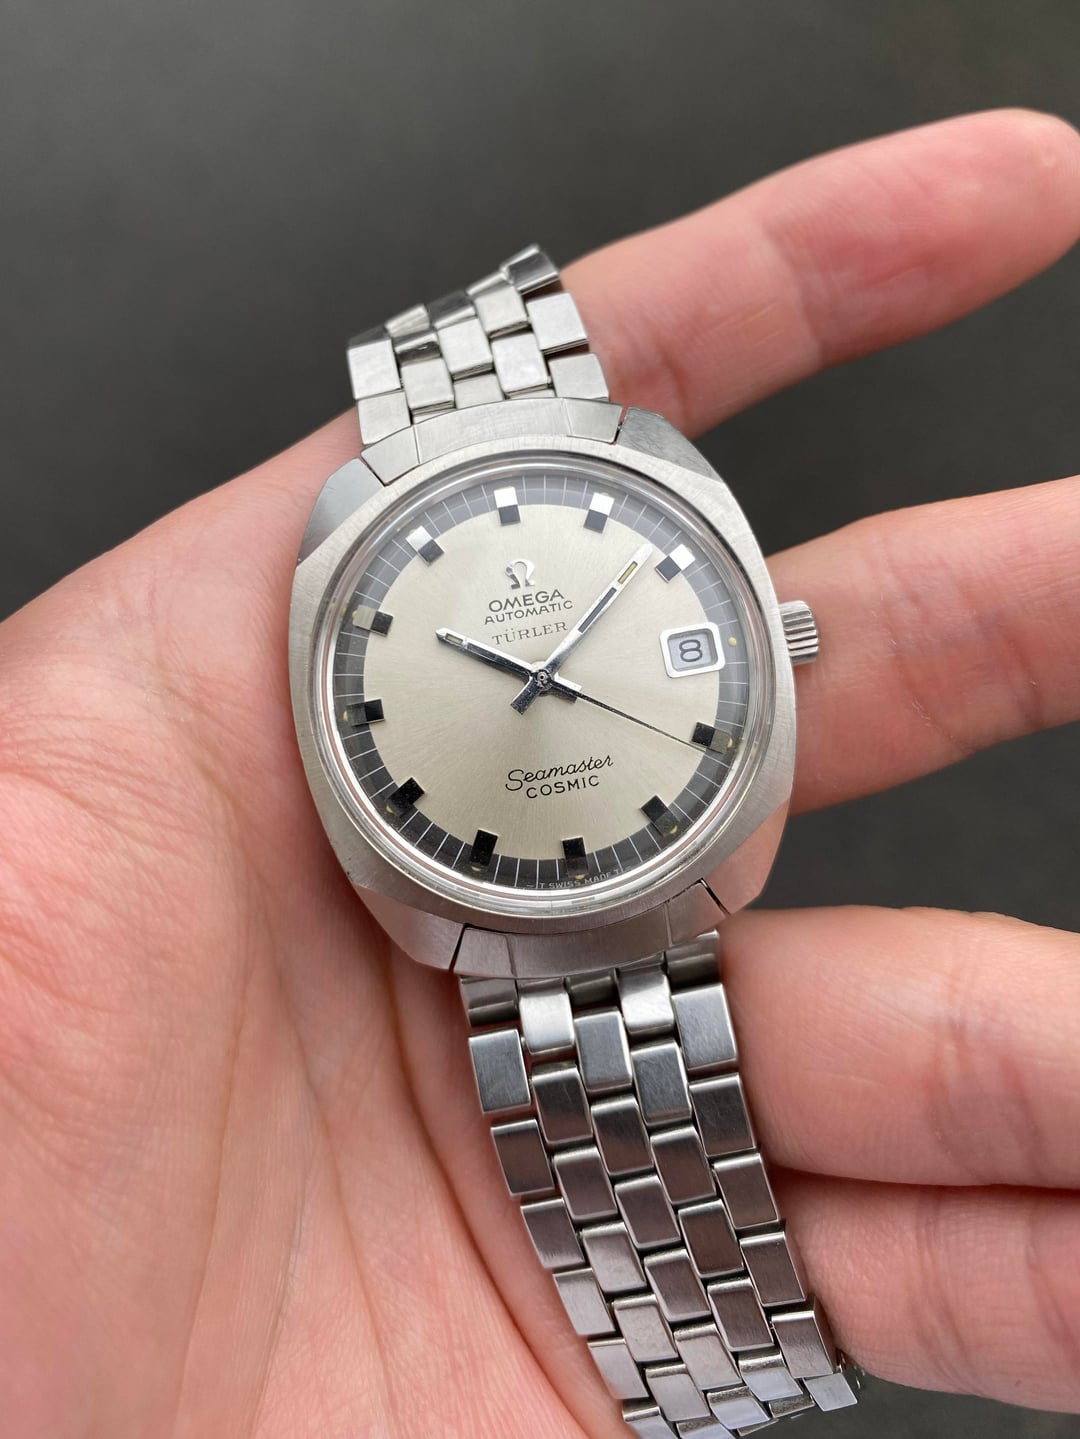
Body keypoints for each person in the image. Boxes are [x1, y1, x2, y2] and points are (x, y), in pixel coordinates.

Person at [2, 108, 1078, 1436]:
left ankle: (707, 1365)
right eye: (520, 668)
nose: (542, 684)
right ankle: (706, 1366)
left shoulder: (650, 575)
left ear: (772, 634)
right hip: (490, 895)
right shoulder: (385, 573)